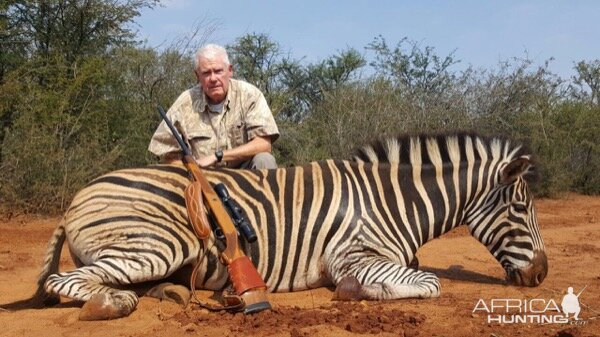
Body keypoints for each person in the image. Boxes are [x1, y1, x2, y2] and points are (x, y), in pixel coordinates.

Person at [149, 44, 279, 169]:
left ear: (230, 71)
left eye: (218, 71)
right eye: (206, 73)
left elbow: (263, 144)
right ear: (197, 75)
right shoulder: (184, 102)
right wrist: (191, 169)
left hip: (244, 178)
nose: (213, 78)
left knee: (264, 160)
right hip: (202, 178)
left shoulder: (250, 95)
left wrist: (218, 156)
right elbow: (167, 154)